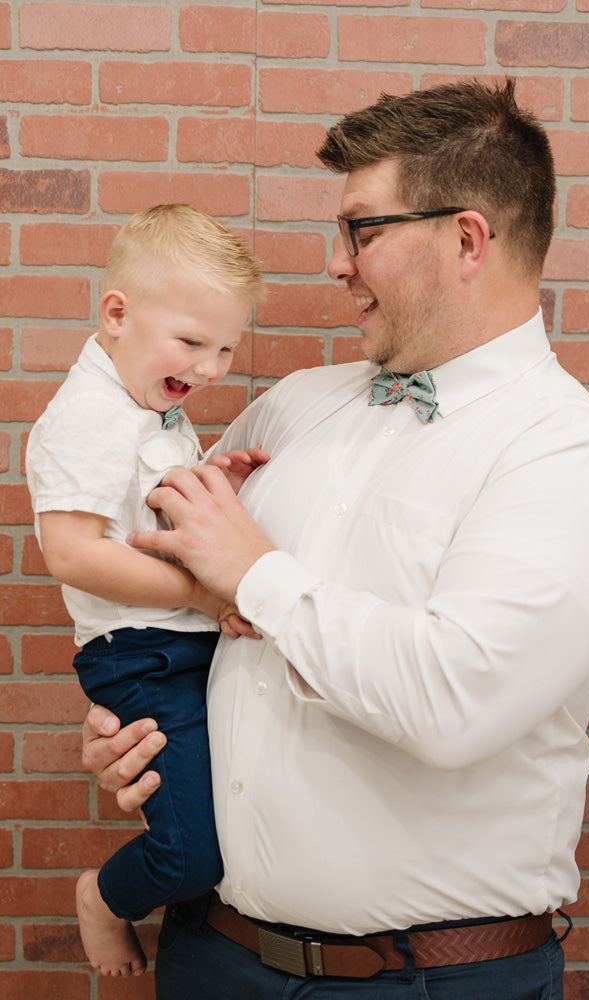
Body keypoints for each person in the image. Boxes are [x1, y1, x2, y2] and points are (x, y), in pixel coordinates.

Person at [82, 79, 589, 1000]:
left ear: (466, 239)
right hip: (209, 955)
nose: (336, 264)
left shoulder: (573, 462)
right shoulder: (296, 404)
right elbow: (166, 570)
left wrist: (256, 575)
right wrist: (141, 717)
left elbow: (451, 703)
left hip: (426, 983)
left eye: (362, 230)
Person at [25, 204, 267, 978]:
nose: (209, 368)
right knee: (190, 850)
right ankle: (104, 897)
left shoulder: (148, 406)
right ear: (117, 313)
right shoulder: (94, 413)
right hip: (144, 655)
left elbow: (139, 509)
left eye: (226, 347)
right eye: (193, 342)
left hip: (176, 645)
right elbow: (70, 552)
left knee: (220, 817)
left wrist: (202, 478)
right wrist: (198, 597)